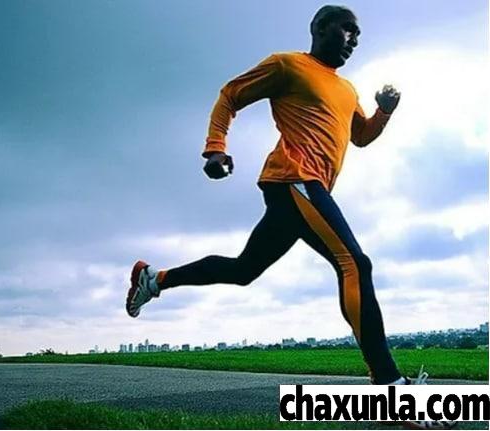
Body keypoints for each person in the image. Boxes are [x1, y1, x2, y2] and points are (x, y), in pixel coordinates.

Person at [126, 6, 454, 429]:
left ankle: (154, 279)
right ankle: (391, 389)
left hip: (306, 191)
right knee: (355, 264)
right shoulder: (288, 66)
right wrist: (215, 148)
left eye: (358, 35)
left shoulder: (347, 88)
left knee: (244, 270)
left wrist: (384, 112)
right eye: (346, 29)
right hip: (295, 179)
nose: (353, 40)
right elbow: (230, 95)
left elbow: (360, 137)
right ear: (319, 28)